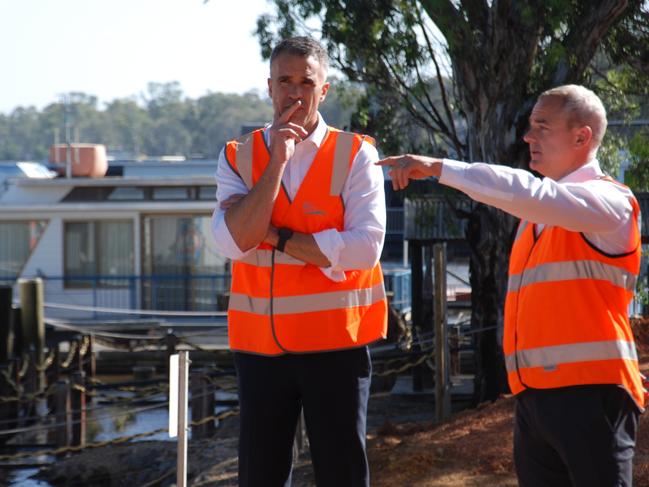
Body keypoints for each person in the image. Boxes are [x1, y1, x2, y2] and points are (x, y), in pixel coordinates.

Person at [377, 84, 647, 487]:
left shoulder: (611, 201)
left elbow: (526, 191)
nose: (528, 137)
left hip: (591, 393)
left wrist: (439, 168)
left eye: (542, 126)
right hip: (535, 398)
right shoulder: (537, 216)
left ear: (581, 136)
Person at [210, 36, 387, 487]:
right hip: (259, 351)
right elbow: (231, 241)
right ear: (269, 87)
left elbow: (365, 247)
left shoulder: (356, 154)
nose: (294, 93)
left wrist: (277, 237)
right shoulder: (238, 156)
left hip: (336, 348)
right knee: (260, 476)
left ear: (323, 91)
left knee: (342, 474)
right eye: (284, 81)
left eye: (305, 82)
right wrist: (277, 161)